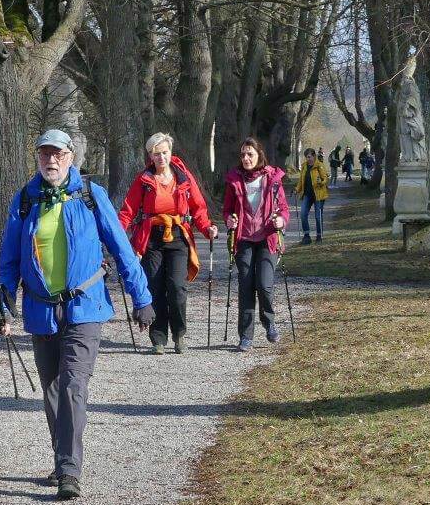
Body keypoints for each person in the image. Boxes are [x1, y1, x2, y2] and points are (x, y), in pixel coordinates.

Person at [0, 129, 153, 500]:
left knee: (72, 385)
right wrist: (5, 304)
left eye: (58, 154)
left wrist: (141, 297)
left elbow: (122, 249)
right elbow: (9, 261)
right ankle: (62, 457)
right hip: (41, 309)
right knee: (52, 389)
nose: (51, 161)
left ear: (71, 157)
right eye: (45, 154)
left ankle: (69, 469)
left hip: (85, 307)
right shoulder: (25, 200)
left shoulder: (90, 196)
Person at [118, 132, 217, 355]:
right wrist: (115, 234)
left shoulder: (183, 177)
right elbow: (128, 211)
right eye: (156, 154)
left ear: (170, 152)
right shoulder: (143, 180)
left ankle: (179, 334)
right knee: (155, 287)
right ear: (150, 156)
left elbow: (198, 207)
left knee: (177, 287)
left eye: (164, 152)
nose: (161, 157)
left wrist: (207, 228)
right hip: (151, 238)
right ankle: (158, 338)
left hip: (178, 237)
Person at [222, 137, 289, 352]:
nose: (246, 158)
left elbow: (284, 209)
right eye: (243, 154)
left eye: (250, 154)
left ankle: (269, 322)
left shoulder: (272, 178)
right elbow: (227, 210)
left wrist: (281, 221)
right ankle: (246, 336)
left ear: (259, 155)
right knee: (246, 286)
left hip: (267, 239)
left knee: (264, 284)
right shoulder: (234, 179)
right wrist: (229, 220)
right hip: (244, 240)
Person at [293, 148, 328, 245]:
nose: (308, 159)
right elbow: (301, 181)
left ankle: (319, 236)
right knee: (303, 214)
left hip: (318, 195)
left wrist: (321, 182)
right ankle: (306, 236)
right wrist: (296, 189)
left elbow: (325, 178)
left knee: (317, 216)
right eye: (306, 157)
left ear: (314, 156)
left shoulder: (319, 165)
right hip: (307, 194)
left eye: (309, 157)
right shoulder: (304, 166)